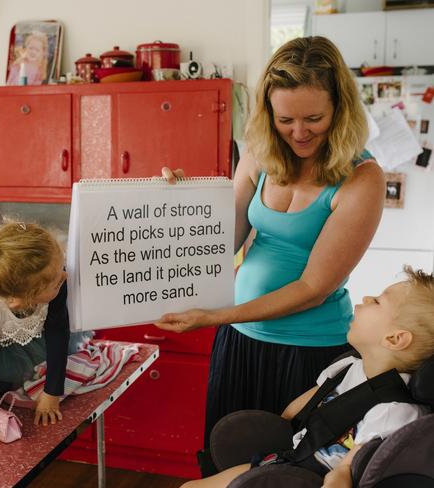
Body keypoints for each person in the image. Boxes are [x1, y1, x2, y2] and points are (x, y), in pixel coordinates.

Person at [155, 36, 386, 471]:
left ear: (340, 110)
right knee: (227, 460)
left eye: (314, 118)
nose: (299, 132)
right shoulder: (261, 154)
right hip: (240, 342)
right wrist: (181, 204)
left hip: (309, 352)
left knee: (286, 473)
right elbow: (220, 241)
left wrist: (214, 316)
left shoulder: (362, 179)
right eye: (286, 119)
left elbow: (313, 288)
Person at [180, 266, 434, 488]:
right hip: (289, 459)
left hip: (308, 478)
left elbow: (349, 468)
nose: (366, 297)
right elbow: (294, 412)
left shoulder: (393, 410)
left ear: (395, 339)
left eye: (377, 301)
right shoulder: (348, 367)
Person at [0, 221, 87, 438]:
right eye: (56, 282)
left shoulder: (58, 279)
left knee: (47, 363)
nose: (64, 277)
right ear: (22, 301)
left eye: (61, 268)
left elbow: (58, 333)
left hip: (37, 339)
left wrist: (52, 391)